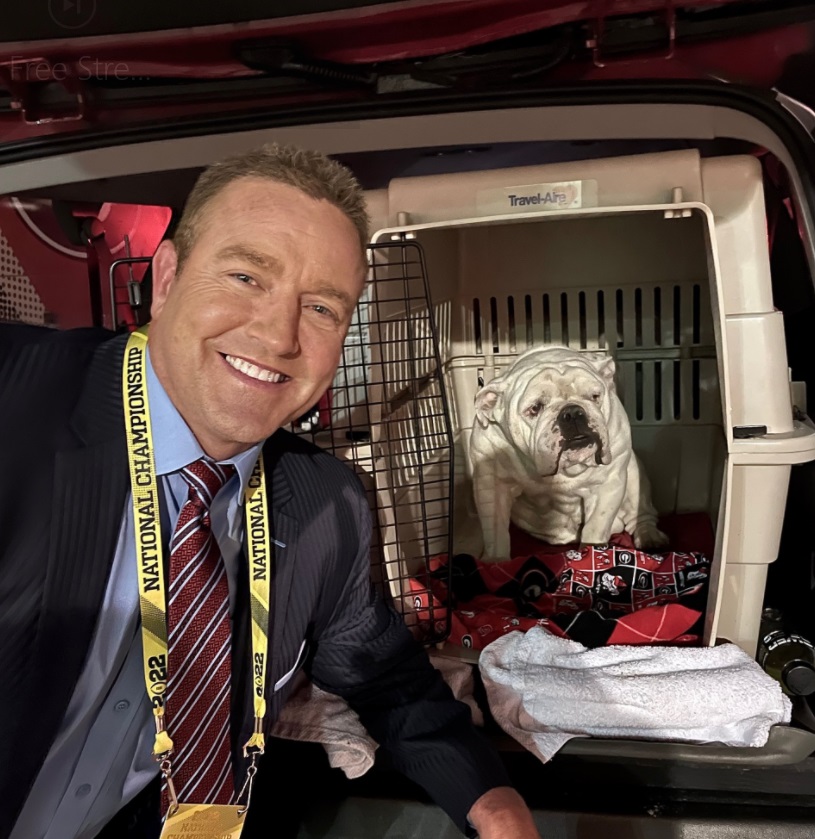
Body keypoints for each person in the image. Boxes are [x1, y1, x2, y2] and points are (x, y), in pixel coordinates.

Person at [0, 144, 540, 839]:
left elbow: (384, 677)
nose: (279, 334)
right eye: (245, 275)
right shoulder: (17, 398)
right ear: (164, 278)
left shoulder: (326, 504)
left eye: (320, 307)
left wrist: (492, 802)